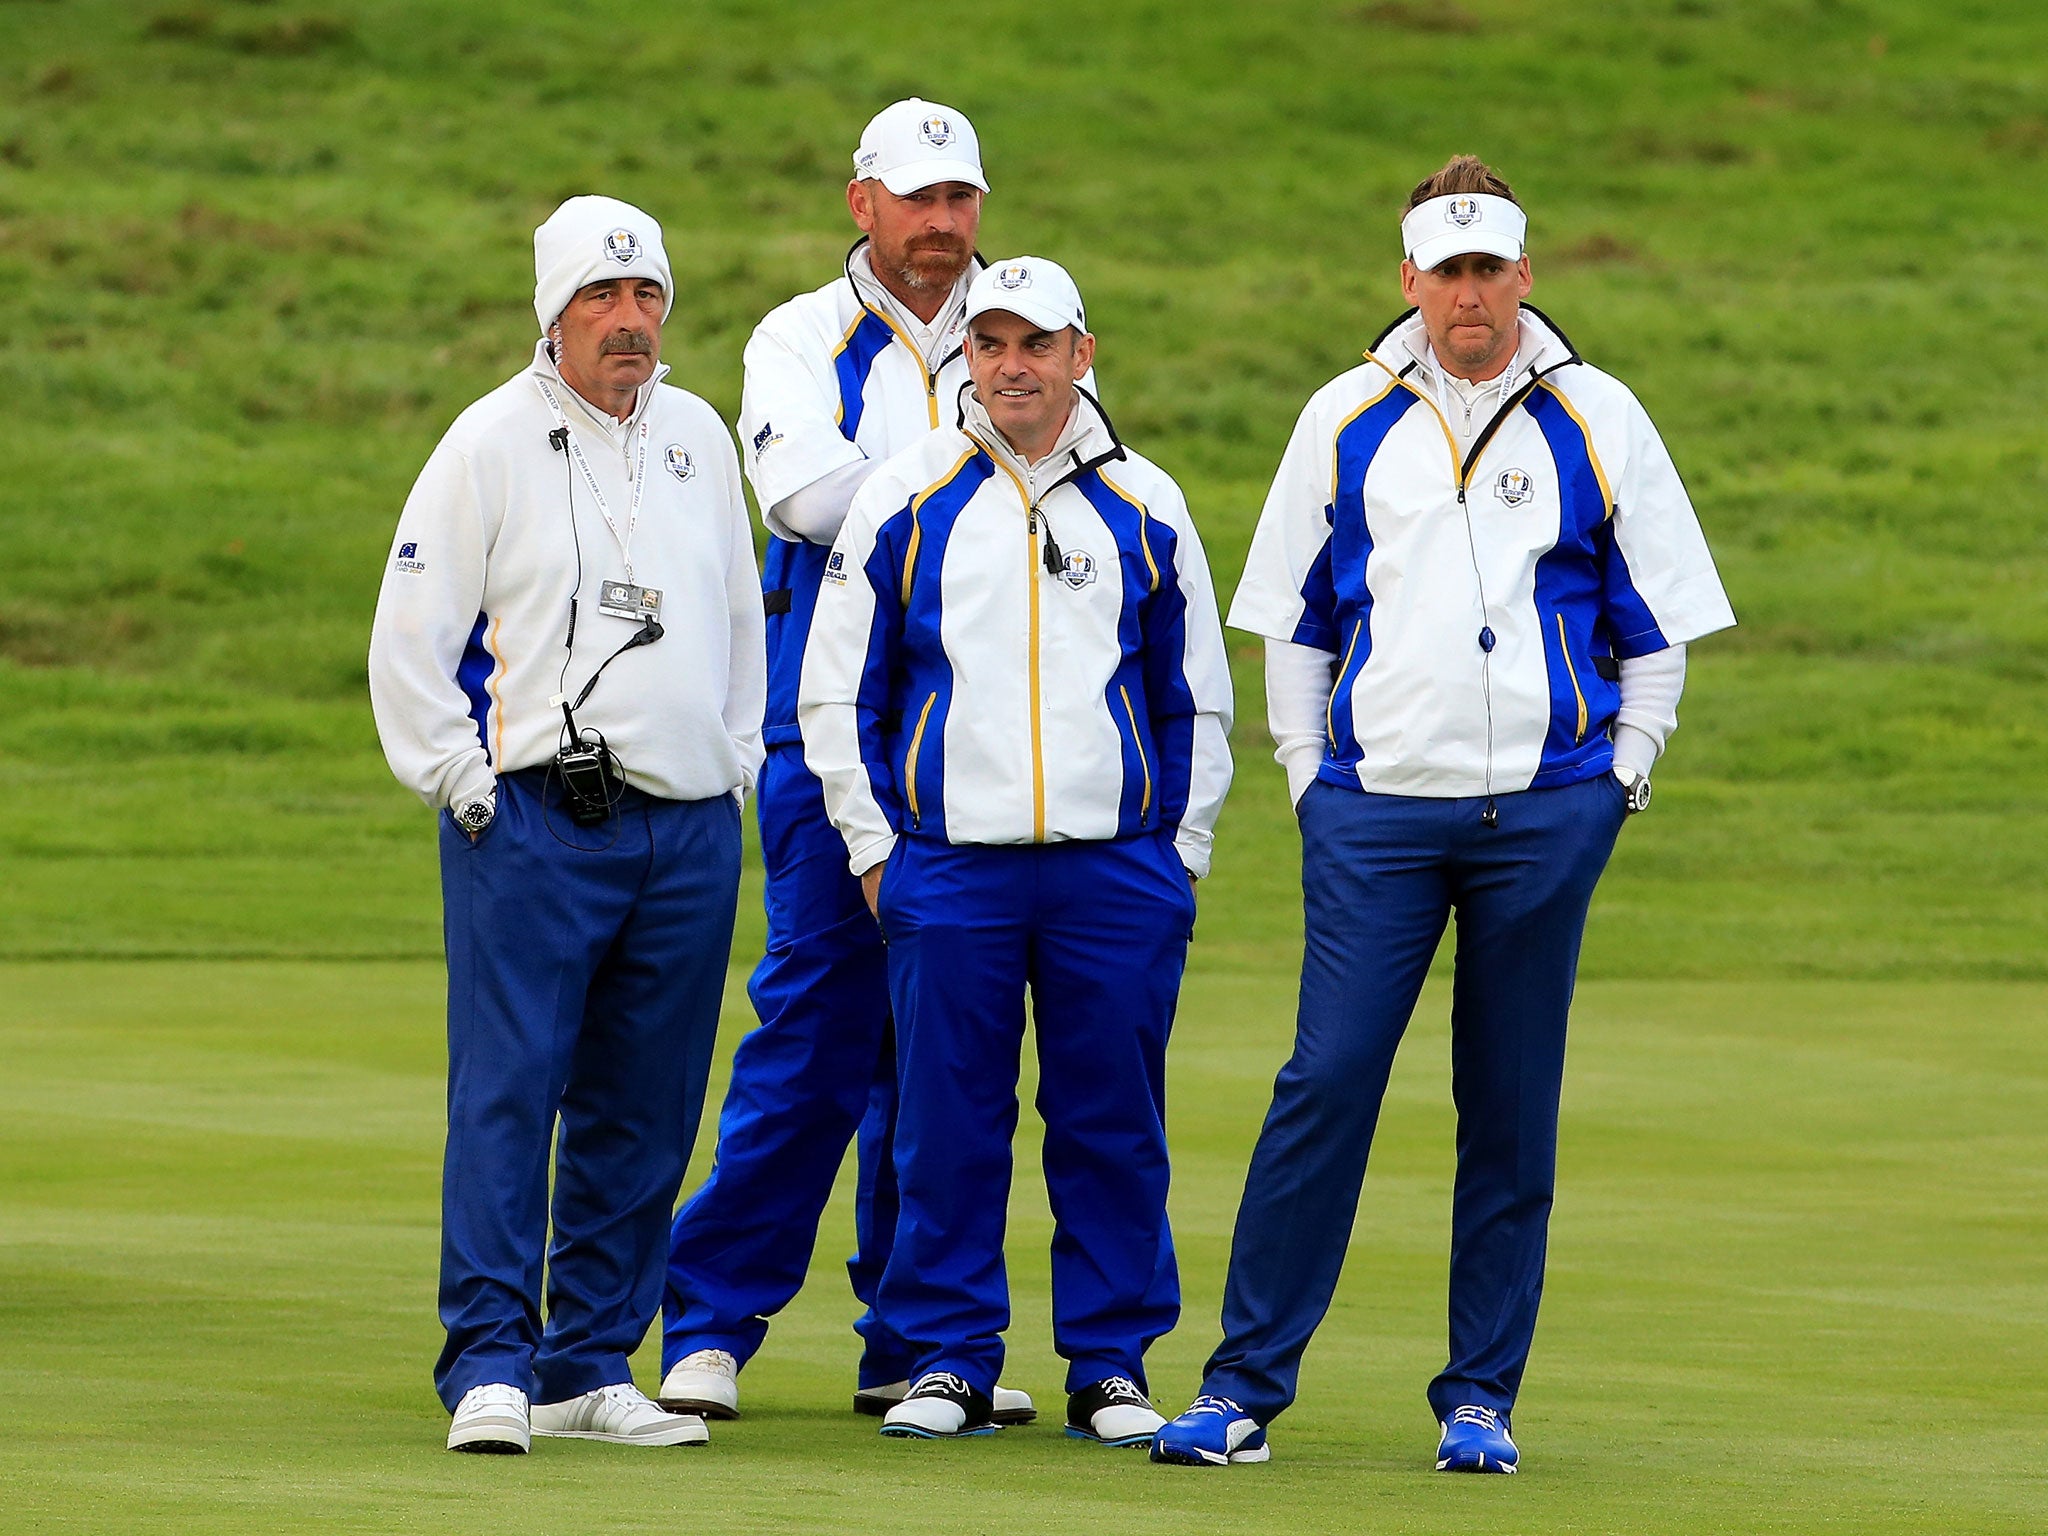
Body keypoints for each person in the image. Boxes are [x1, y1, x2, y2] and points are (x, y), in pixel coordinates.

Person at [1151, 156, 1736, 1474]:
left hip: (1546, 813)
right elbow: (1293, 624)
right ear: (1408, 280)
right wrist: (1311, 774)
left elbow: (1656, 625)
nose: (1468, 296)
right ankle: (1244, 1386)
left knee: (1509, 1102)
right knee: (1329, 1078)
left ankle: (1481, 1396)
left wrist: (1625, 770)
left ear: (1525, 276)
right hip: (1375, 814)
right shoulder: (1344, 416)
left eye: (1490, 271)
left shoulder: (1598, 417)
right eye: (1446, 272)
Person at [801, 256, 1234, 1444]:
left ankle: (1109, 1362)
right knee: (946, 1119)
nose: (1010, 366)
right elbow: (837, 692)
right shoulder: (906, 493)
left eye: (1034, 344)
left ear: (1079, 355)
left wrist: (1177, 855)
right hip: (949, 867)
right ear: (967, 360)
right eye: (989, 344)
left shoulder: (1146, 500)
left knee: (1109, 1119)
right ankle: (946, 1355)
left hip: (1113, 871)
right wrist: (874, 849)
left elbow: (1195, 697)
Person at [658, 98, 1036, 1426]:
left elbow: (1059, 477)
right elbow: (800, 500)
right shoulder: (795, 337)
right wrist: (972, 468)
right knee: (815, 1025)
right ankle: (708, 1323)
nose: (944, 227)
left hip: (986, 737)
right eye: (919, 199)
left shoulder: (1024, 318)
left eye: (961, 200)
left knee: (942, 1048)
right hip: (830, 728)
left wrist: (911, 476)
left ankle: (913, 1337)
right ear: (861, 201)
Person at [368, 195, 763, 1455]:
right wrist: (457, 775)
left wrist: (735, 760)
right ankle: (489, 1357)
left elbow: (742, 617)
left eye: (646, 297)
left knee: (644, 1104)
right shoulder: (488, 439)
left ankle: (587, 1360)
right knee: (511, 1092)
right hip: (534, 816)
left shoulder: (699, 434)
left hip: (688, 826)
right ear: (554, 311)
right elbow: (413, 632)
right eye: (602, 298)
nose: (630, 322)